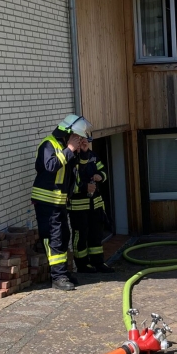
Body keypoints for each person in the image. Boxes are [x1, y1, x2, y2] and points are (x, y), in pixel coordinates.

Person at [32, 114, 91, 291]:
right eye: (78, 137)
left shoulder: (66, 147)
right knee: (54, 238)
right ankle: (58, 277)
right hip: (46, 202)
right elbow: (50, 166)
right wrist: (70, 149)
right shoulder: (48, 144)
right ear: (69, 134)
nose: (79, 140)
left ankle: (63, 272)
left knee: (64, 236)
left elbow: (79, 168)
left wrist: (83, 151)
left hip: (59, 203)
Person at [68, 138, 115, 274]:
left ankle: (98, 262)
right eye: (81, 140)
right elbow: (70, 183)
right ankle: (82, 265)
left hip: (96, 203)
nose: (84, 143)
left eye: (86, 140)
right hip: (78, 206)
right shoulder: (71, 158)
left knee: (96, 234)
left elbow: (104, 171)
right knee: (80, 235)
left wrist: (100, 176)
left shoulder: (93, 156)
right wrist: (84, 188)